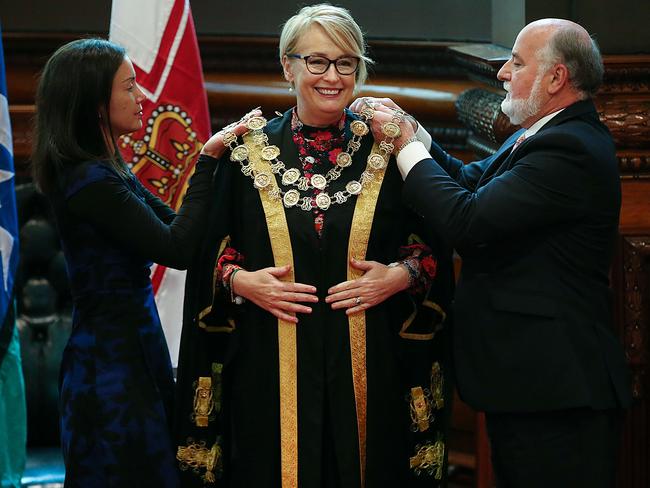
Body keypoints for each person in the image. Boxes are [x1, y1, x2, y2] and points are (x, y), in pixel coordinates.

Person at [174, 4, 454, 487]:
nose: (332, 76)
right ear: (288, 65)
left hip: (374, 364)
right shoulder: (245, 151)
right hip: (269, 361)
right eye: (316, 61)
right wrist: (241, 281)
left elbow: (438, 240)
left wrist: (400, 276)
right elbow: (206, 252)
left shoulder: (391, 150)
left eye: (346, 62)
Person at [353, 18, 632, 488]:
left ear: (556, 77)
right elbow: (466, 182)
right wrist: (415, 132)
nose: (503, 72)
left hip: (557, 392)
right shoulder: (541, 132)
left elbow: (469, 221)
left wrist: (401, 142)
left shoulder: (571, 148)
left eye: (517, 62)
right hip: (529, 384)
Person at [31, 38, 252, 487]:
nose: (142, 99)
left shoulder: (109, 167)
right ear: (96, 103)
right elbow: (177, 248)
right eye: (130, 87)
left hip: (134, 353)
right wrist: (207, 159)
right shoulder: (88, 180)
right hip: (109, 372)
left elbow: (177, 224)